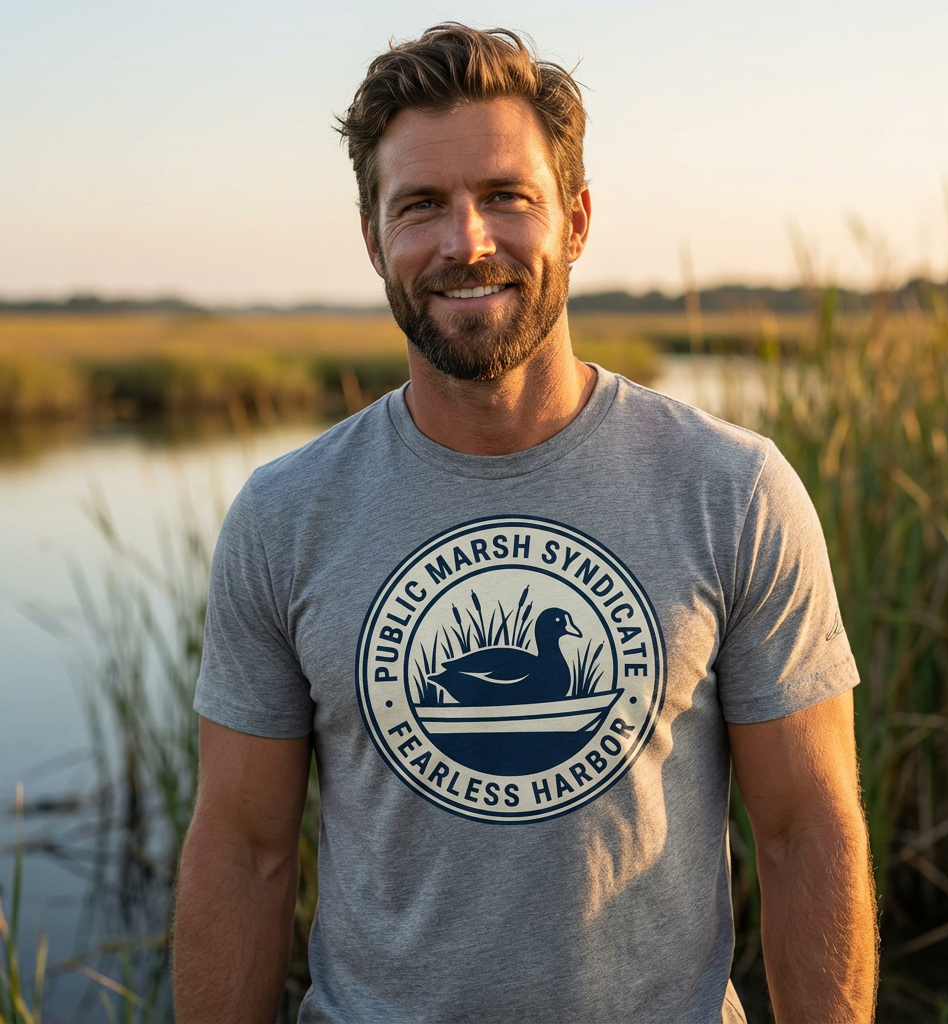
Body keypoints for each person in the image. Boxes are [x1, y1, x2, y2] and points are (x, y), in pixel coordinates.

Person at [172, 23, 878, 1024]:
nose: (467, 241)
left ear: (576, 220)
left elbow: (809, 830)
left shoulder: (732, 488)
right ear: (373, 237)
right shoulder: (285, 516)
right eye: (421, 205)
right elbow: (242, 849)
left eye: (507, 196)